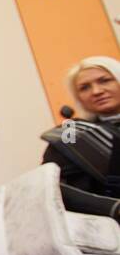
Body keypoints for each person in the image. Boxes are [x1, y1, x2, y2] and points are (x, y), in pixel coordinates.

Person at [42, 57, 120, 212]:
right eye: (84, 88)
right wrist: (113, 208)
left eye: (104, 80)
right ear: (78, 99)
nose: (97, 91)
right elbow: (54, 189)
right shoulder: (70, 133)